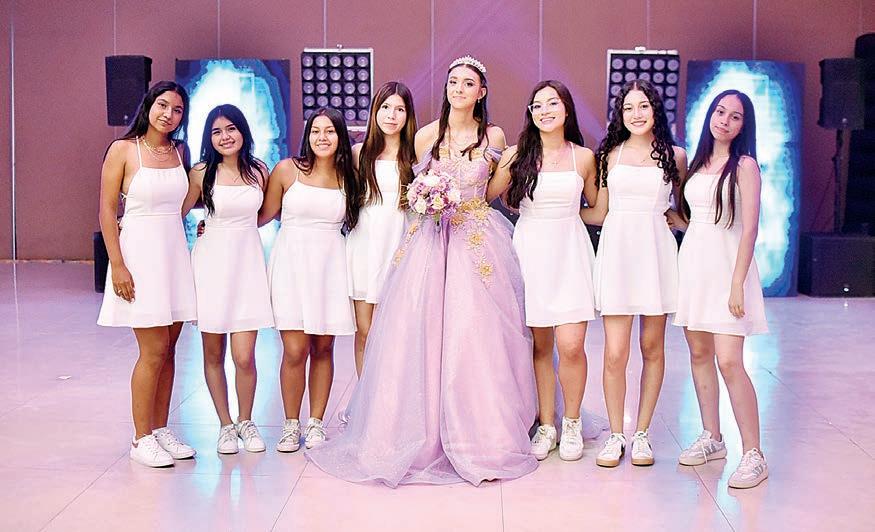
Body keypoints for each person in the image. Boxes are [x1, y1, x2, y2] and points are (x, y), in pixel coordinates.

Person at [306, 56, 538, 487]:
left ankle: (481, 429)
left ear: (481, 92)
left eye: (468, 83)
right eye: (453, 82)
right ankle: (418, 426)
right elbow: (409, 186)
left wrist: (491, 180)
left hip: (474, 236)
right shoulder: (428, 135)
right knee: (422, 331)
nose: (458, 89)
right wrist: (429, 198)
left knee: (476, 330)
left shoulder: (494, 135)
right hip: (430, 238)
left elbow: (489, 192)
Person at [491, 80, 600, 461]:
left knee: (571, 345)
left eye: (552, 103)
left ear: (566, 109)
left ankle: (572, 422)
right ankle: (547, 424)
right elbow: (485, 195)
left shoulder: (584, 157)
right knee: (540, 345)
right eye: (537, 105)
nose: (545, 111)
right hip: (530, 252)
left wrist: (569, 216)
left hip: (570, 252)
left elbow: (598, 210)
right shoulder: (516, 155)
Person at [666, 90, 769, 489]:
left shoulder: (744, 165)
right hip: (695, 266)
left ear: (744, 126)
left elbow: (750, 228)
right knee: (699, 353)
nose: (725, 120)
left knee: (729, 360)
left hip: (729, 270)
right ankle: (713, 437)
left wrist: (737, 284)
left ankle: (754, 453)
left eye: (735, 116)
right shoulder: (698, 162)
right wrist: (678, 221)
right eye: (720, 112)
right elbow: (702, 221)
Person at [583, 79, 686, 468]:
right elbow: (600, 212)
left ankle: (642, 434)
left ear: (655, 110)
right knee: (614, 352)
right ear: (620, 114)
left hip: (656, 252)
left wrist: (684, 224)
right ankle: (616, 434)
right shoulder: (609, 155)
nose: (636, 114)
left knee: (652, 347)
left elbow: (682, 209)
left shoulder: (675, 156)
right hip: (618, 251)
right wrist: (553, 211)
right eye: (628, 108)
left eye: (643, 106)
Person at [97, 81, 198, 468]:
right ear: (149, 105)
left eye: (177, 109)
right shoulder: (123, 150)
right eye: (163, 105)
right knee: (153, 350)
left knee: (170, 350)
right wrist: (118, 264)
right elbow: (107, 211)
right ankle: (141, 438)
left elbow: (180, 205)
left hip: (174, 256)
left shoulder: (179, 151)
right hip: (139, 258)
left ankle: (160, 428)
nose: (169, 114)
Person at [260, 108, 358, 453]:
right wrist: (211, 224)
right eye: (316, 131)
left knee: (323, 348)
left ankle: (316, 422)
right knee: (295, 349)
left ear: (340, 136)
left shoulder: (350, 177)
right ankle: (291, 424)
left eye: (329, 131)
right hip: (291, 264)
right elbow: (262, 215)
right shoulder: (287, 170)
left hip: (331, 265)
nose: (322, 137)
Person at [189, 104, 273, 454]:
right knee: (213, 353)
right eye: (216, 131)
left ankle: (246, 420)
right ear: (209, 138)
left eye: (231, 129)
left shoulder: (259, 171)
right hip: (211, 266)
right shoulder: (200, 173)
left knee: (244, 356)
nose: (225, 137)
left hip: (247, 265)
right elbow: (176, 213)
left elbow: (265, 213)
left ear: (243, 131)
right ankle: (225, 425)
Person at [346, 81, 417, 376]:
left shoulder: (415, 157)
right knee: (365, 331)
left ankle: (391, 395)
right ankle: (365, 394)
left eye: (399, 109)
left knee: (396, 334)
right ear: (375, 111)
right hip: (365, 245)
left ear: (408, 115)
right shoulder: (358, 153)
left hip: (400, 246)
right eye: (386, 107)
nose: (391, 115)